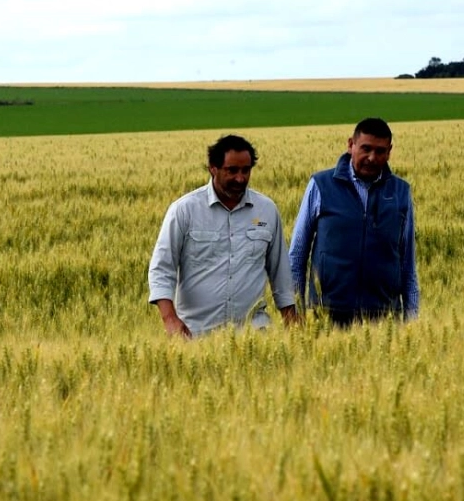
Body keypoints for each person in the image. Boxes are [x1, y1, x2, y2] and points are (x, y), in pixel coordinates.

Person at [148, 135, 299, 338]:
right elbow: (162, 268)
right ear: (213, 168)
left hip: (254, 335)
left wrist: (294, 327)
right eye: (232, 170)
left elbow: (280, 272)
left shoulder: (267, 210)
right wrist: (169, 319)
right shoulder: (184, 210)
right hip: (196, 335)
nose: (240, 178)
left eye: (246, 170)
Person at [289, 117, 419, 325]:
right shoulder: (321, 185)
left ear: (389, 152)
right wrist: (294, 314)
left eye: (380, 151)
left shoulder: (400, 192)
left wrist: (411, 321)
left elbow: (407, 264)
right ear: (351, 145)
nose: (372, 157)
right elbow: (297, 255)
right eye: (366, 148)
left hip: (384, 318)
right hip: (326, 315)